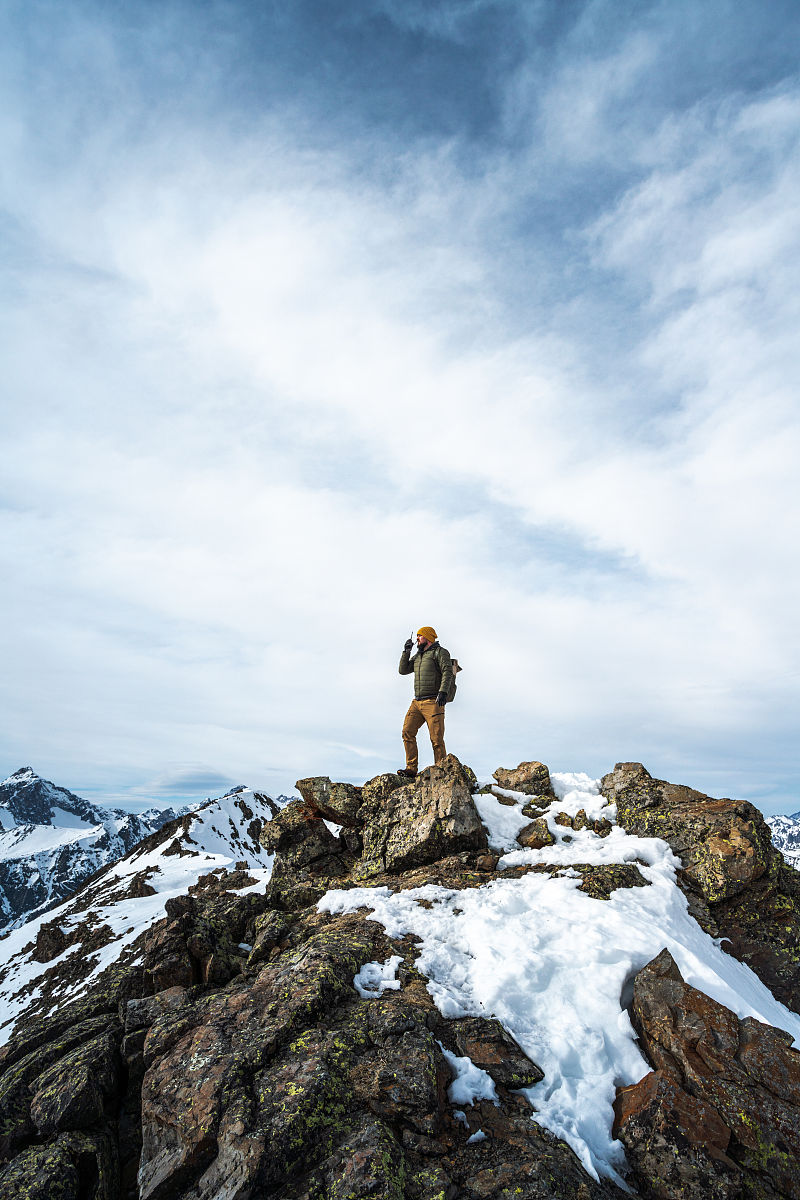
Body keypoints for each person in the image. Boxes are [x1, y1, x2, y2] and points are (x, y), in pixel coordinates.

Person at [397, 626, 454, 778]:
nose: (417, 639)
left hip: (433, 702)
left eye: (419, 636)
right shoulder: (418, 656)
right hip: (417, 702)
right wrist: (406, 651)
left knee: (436, 739)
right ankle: (411, 768)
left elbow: (447, 672)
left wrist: (443, 692)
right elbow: (403, 670)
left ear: (428, 638)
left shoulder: (440, 652)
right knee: (407, 732)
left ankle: (441, 771)